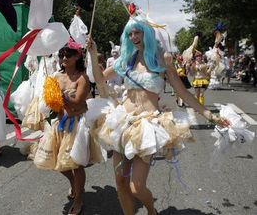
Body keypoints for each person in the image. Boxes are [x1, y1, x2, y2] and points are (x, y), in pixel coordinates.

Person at [86, 15, 229, 215]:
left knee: (137, 187)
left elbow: (182, 92)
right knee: (120, 183)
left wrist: (209, 115)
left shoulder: (162, 58)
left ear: (147, 33)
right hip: (122, 124)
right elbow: (100, 80)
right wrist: (93, 54)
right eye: (130, 33)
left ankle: (151, 211)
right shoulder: (127, 58)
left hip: (147, 126)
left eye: (138, 32)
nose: (134, 36)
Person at [50, 40, 103, 215]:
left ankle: (79, 199)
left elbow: (77, 102)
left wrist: (58, 95)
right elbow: (54, 105)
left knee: (76, 165)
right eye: (62, 54)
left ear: (76, 57)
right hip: (60, 124)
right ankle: (73, 184)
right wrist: (48, 96)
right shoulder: (56, 77)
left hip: (77, 126)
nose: (64, 57)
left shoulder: (83, 78)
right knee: (57, 162)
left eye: (68, 54)